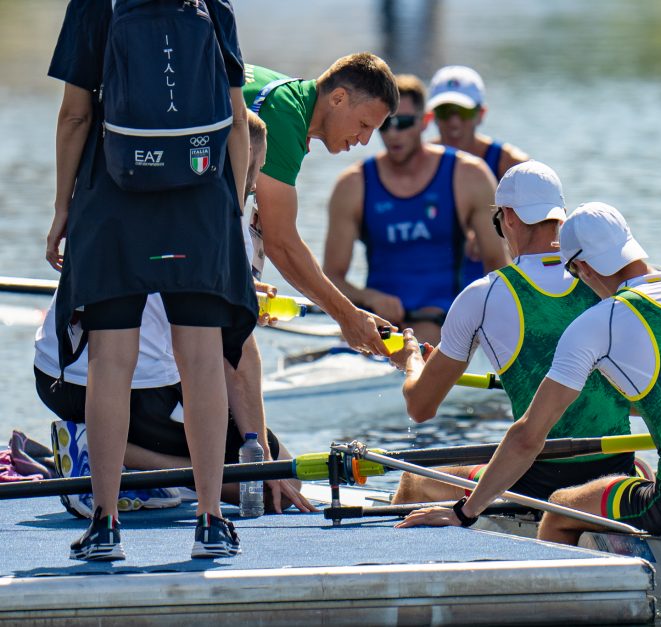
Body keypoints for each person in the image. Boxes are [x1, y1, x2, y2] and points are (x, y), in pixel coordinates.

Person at [397, 202, 661, 544]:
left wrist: (464, 512)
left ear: (581, 269)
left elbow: (529, 436)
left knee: (562, 508)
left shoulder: (600, 322)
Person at [46, 0, 257, 560]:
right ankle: (211, 522)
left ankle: (105, 524)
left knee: (110, 361)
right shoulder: (212, 5)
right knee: (202, 358)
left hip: (114, 199)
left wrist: (62, 208)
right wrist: (229, 213)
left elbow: (75, 114)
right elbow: (237, 118)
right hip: (199, 196)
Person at [35, 111, 312, 520]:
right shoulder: (221, 222)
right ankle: (97, 449)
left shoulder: (131, 190)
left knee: (274, 466)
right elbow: (237, 359)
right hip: (117, 385)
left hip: (56, 370)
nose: (254, 184)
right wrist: (261, 461)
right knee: (268, 487)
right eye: (253, 169)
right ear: (233, 155)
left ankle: (127, 459)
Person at [389, 162, 645, 505]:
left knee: (413, 479)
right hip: (616, 471)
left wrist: (412, 362)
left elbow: (420, 407)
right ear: (561, 218)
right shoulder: (602, 280)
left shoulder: (483, 295)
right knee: (641, 461)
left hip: (537, 482)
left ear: (508, 217)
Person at [323, 75, 508, 344]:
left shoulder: (469, 176)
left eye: (405, 123)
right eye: (386, 124)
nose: (394, 133)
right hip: (380, 323)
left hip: (444, 322)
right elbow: (332, 278)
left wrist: (481, 321)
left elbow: (498, 266)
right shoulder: (352, 185)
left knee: (427, 334)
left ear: (425, 122)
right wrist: (369, 297)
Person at [242, 54, 400, 356]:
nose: (365, 141)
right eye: (364, 124)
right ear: (338, 98)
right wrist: (348, 316)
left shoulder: (287, 96)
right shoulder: (283, 116)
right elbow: (282, 244)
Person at [426, 65, 530, 287]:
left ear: (480, 114)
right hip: (435, 284)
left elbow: (544, 234)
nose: (454, 122)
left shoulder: (513, 164)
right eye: (445, 112)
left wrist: (493, 236)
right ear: (432, 117)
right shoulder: (417, 162)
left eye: (463, 112)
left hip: (497, 277)